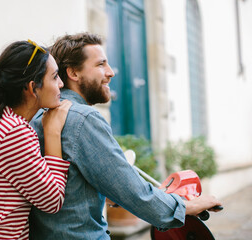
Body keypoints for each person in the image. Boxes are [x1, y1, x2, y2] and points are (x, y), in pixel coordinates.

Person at [29, 33, 222, 239]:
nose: (111, 72)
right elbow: (133, 192)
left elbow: (68, 186)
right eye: (101, 64)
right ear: (74, 73)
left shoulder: (39, 115)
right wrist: (184, 206)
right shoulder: (83, 118)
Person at [0, 39, 72, 240]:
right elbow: (52, 201)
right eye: (54, 77)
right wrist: (52, 132)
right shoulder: (13, 132)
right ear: (33, 87)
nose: (61, 83)